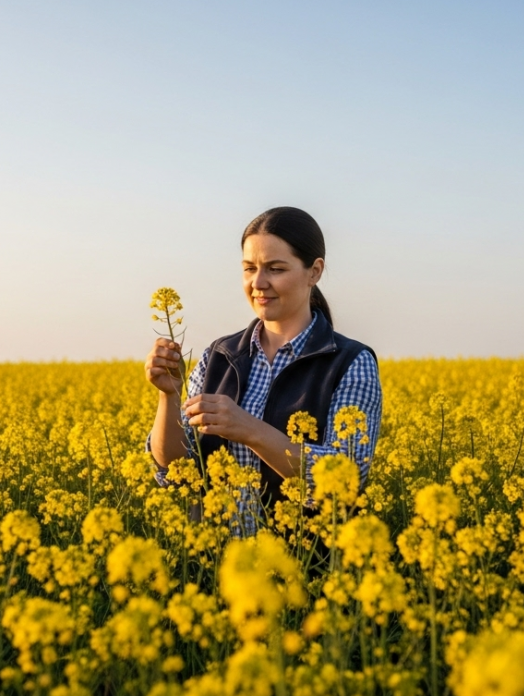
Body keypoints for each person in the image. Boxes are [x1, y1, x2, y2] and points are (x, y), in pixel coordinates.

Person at [144, 206, 382, 536]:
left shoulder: (349, 363)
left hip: (303, 574)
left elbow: (346, 481)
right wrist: (167, 396)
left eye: (275, 268)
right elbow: (173, 468)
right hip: (218, 572)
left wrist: (250, 429)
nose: (258, 282)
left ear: (314, 272)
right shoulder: (219, 356)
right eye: (249, 268)